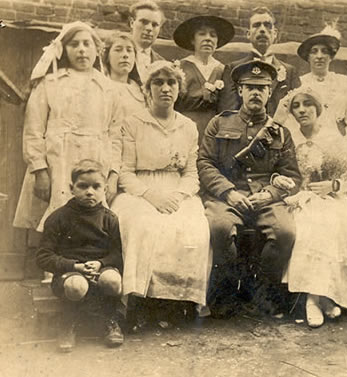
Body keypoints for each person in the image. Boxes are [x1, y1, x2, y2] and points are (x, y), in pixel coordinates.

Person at [111, 61, 211, 327]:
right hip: (140, 190)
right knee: (142, 225)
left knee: (193, 227)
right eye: (158, 83)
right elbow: (125, 172)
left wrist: (178, 196)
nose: (165, 88)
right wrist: (151, 196)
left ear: (179, 90)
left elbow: (191, 173)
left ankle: (174, 302)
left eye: (171, 83)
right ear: (147, 89)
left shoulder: (188, 126)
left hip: (177, 188)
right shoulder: (133, 123)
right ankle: (137, 300)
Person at [198, 60, 302, 317]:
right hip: (227, 196)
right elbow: (205, 163)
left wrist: (269, 194)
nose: (256, 92)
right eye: (250, 87)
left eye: (262, 88)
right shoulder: (219, 124)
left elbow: (292, 176)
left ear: (270, 93)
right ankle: (227, 293)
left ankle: (261, 292)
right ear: (240, 91)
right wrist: (228, 192)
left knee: (285, 232)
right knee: (220, 228)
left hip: (265, 198)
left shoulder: (281, 133)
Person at [13, 21, 122, 234]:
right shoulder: (50, 83)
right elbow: (33, 131)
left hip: (96, 159)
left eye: (86, 44)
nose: (81, 50)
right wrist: (40, 170)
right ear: (64, 49)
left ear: (96, 49)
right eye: (74, 44)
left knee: (90, 220)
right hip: (58, 161)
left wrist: (113, 174)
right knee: (55, 219)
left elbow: (115, 135)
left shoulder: (108, 88)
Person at [272, 87, 347, 328]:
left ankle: (316, 298)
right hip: (299, 197)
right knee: (308, 226)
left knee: (329, 222)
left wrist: (334, 185)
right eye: (296, 106)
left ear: (317, 108)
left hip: (331, 198)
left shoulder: (333, 139)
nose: (301, 110)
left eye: (307, 104)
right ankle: (317, 298)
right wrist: (284, 183)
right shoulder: (289, 138)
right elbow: (275, 169)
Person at [36, 160, 124, 352]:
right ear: (71, 188)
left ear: (105, 189)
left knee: (113, 280)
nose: (89, 192)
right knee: (77, 285)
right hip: (70, 273)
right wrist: (74, 266)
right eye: (83, 186)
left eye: (96, 186)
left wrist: (101, 263)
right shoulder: (58, 218)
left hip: (99, 269)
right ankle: (68, 323)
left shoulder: (109, 218)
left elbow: (117, 254)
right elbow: (43, 256)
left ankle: (110, 320)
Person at [275, 24, 347, 135]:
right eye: (314, 51)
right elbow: (292, 121)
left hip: (339, 141)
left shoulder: (344, 82)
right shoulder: (299, 83)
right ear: (308, 57)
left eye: (324, 51)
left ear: (331, 56)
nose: (319, 56)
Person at [217, 6, 301, 116]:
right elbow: (227, 112)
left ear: (274, 33)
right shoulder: (233, 68)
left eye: (267, 25)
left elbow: (296, 111)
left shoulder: (290, 71)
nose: (262, 30)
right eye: (256, 25)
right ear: (248, 34)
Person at [173, 16, 235, 145]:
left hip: (214, 131)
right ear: (192, 40)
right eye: (202, 34)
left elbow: (228, 106)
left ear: (217, 42)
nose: (208, 38)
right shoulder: (180, 67)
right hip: (183, 128)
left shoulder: (223, 70)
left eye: (213, 35)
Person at [102, 31, 146, 119]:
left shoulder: (141, 91)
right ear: (107, 57)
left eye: (129, 50)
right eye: (118, 50)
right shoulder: (100, 88)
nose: (125, 55)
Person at [129, 0, 166, 82]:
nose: (149, 28)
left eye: (155, 25)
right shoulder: (117, 54)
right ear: (132, 23)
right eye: (144, 22)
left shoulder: (162, 63)